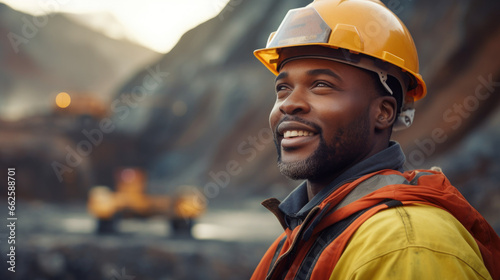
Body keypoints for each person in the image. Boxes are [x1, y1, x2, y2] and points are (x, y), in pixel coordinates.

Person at [250, 0, 500, 279]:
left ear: (383, 112)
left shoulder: (406, 244)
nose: (289, 104)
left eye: (321, 85)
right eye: (282, 88)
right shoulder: (300, 235)